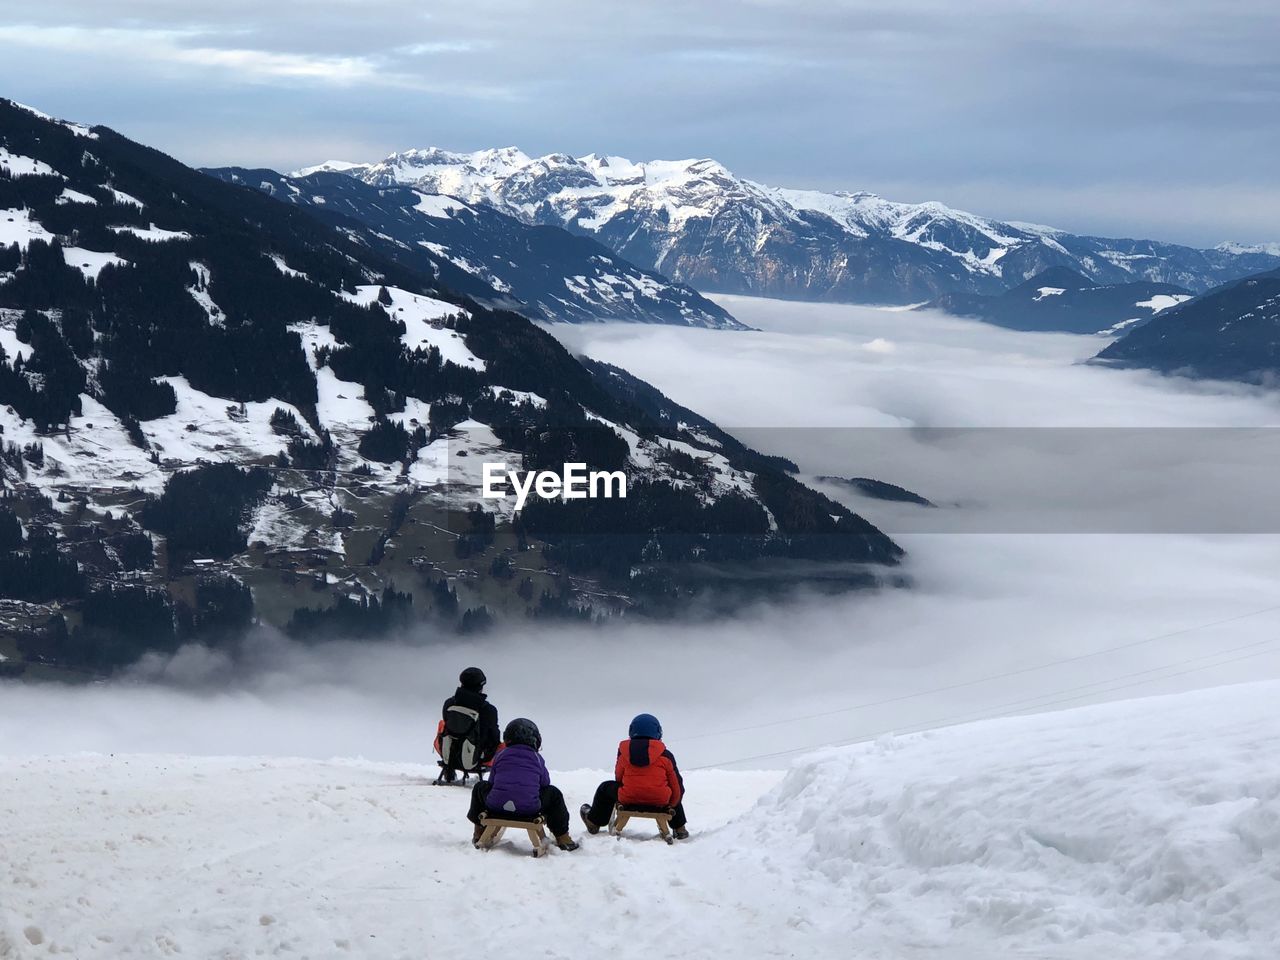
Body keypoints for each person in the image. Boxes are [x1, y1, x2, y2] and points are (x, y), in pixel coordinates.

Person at [467, 718, 579, 851]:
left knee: (480, 787)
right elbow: (545, 784)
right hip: (529, 808)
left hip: (496, 805)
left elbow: (492, 782)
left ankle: (479, 831)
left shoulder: (500, 755)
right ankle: (563, 837)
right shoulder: (537, 758)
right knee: (554, 793)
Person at [580, 713, 689, 840]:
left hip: (628, 797)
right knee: (674, 791)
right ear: (658, 732)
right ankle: (679, 828)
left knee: (605, 788)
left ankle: (594, 822)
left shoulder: (624, 753)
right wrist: (672, 804)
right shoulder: (665, 755)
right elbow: (676, 785)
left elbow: (619, 778)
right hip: (659, 800)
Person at [436, 666, 501, 783]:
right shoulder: (488, 710)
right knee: (504, 746)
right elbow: (494, 738)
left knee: (442, 725)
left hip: (449, 754)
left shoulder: (449, 703)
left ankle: (449, 769)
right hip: (478, 758)